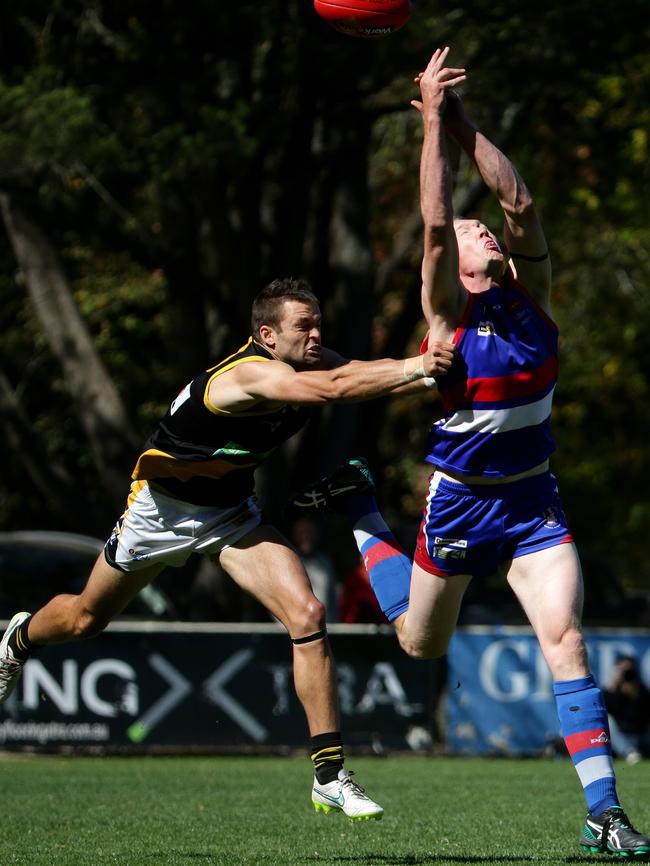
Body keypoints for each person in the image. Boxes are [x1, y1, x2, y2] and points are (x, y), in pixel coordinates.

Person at [287, 49, 650, 855]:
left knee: (567, 640)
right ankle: (360, 508)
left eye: (482, 228)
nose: (479, 225)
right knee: (420, 642)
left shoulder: (535, 296)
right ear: (451, 260)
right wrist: (426, 125)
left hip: (533, 501)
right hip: (459, 501)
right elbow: (431, 215)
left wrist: (461, 121)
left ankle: (605, 814)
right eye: (468, 229)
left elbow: (515, 196)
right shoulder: (445, 319)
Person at [0, 276, 454, 822]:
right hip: (160, 514)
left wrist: (441, 366)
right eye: (302, 327)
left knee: (307, 614)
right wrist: (422, 365)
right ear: (266, 335)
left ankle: (330, 777)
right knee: (83, 619)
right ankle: (18, 637)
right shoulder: (246, 377)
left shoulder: (309, 360)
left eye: (317, 323)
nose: (316, 334)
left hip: (231, 515)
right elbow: (333, 388)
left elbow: (355, 374)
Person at [604, 655, 650, 765]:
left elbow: (642, 716)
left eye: (628, 670)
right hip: (621, 736)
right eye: (623, 670)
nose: (626, 674)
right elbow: (606, 709)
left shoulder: (641, 690)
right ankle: (628, 752)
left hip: (640, 735)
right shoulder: (612, 690)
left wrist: (634, 695)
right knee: (607, 720)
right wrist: (614, 688)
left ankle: (632, 752)